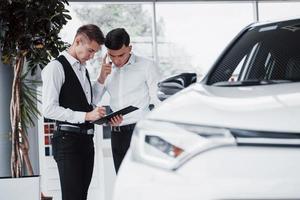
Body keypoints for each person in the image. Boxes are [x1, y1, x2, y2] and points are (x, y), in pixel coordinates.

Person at [42, 24, 122, 200]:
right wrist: (86, 116)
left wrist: (101, 78)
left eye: (94, 52)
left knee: (81, 196)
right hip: (67, 142)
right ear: (78, 41)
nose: (92, 56)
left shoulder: (82, 68)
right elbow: (48, 109)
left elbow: (88, 102)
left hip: (86, 141)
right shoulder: (55, 68)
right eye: (90, 51)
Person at [98, 28, 161, 173]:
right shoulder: (106, 70)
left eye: (121, 55)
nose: (117, 60)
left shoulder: (147, 66)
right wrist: (102, 77)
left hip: (139, 132)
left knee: (142, 180)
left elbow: (158, 101)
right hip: (116, 133)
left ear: (130, 48)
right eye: (112, 56)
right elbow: (94, 99)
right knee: (122, 181)